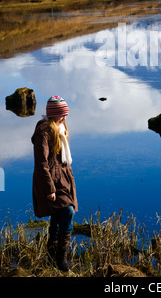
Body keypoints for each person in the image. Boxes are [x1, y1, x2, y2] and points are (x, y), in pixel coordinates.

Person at [31, 95, 78, 272]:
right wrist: (49, 189)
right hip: (50, 180)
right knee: (68, 210)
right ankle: (61, 259)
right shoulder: (44, 132)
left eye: (65, 114)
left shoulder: (60, 128)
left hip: (64, 178)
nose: (65, 118)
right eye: (61, 114)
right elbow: (41, 163)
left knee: (58, 217)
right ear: (53, 115)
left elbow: (63, 159)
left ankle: (52, 255)